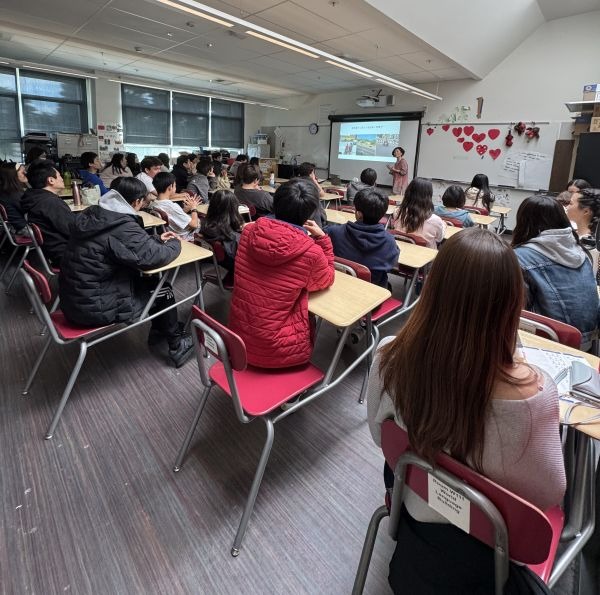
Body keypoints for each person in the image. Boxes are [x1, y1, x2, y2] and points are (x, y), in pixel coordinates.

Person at [367, 228, 566, 594]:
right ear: (512, 304)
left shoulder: (388, 355)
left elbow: (380, 436)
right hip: (494, 546)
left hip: (414, 504)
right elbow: (549, 496)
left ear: (433, 288)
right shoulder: (537, 396)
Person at [59, 177, 194, 368]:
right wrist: (175, 242)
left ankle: (159, 332)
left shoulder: (95, 214)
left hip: (75, 298)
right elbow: (153, 257)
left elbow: (122, 245)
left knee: (151, 284)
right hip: (94, 306)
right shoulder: (120, 225)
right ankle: (177, 345)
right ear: (137, 201)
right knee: (163, 289)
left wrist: (155, 239)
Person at [229, 178, 335, 368]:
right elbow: (326, 279)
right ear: (310, 213)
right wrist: (323, 239)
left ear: (275, 202)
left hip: (238, 340)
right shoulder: (311, 252)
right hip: (277, 350)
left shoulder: (249, 232)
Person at [512, 195, 599, 349]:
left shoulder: (521, 257)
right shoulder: (582, 251)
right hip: (588, 342)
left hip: (549, 342)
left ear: (523, 222)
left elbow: (516, 308)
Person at [325, 188, 399, 288]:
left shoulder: (333, 232)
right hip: (372, 292)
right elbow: (391, 266)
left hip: (339, 285)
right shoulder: (389, 242)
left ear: (359, 214)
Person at [20, 159, 74, 265]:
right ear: (51, 180)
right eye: (59, 176)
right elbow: (75, 230)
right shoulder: (50, 203)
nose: (62, 179)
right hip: (69, 254)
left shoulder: (34, 198)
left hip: (53, 251)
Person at [199, 189, 244, 282]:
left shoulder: (205, 225)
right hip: (237, 270)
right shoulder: (233, 238)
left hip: (223, 264)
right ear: (234, 209)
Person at [391, 177, 446, 249]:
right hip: (425, 255)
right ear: (429, 196)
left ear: (408, 193)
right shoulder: (436, 221)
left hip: (401, 251)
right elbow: (439, 239)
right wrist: (443, 225)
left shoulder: (398, 212)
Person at [152, 172, 201, 241]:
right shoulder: (171, 206)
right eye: (175, 185)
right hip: (182, 235)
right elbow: (194, 225)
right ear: (170, 187)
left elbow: (172, 216)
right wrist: (194, 208)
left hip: (168, 232)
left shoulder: (154, 203)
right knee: (200, 221)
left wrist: (185, 210)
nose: (175, 188)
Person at [565, 188, 600, 276]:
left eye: (571, 203)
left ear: (586, 211)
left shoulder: (591, 246)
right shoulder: (572, 234)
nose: (567, 207)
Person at [0, 161, 28, 234]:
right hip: (25, 229)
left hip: (16, 227)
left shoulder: (6, 191)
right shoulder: (15, 195)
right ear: (13, 175)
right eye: (22, 172)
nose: (25, 173)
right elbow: (31, 212)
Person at [296, 162, 327, 227]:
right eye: (313, 173)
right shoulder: (311, 184)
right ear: (311, 173)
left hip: (296, 220)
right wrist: (315, 181)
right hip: (311, 223)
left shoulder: (294, 181)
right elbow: (322, 194)